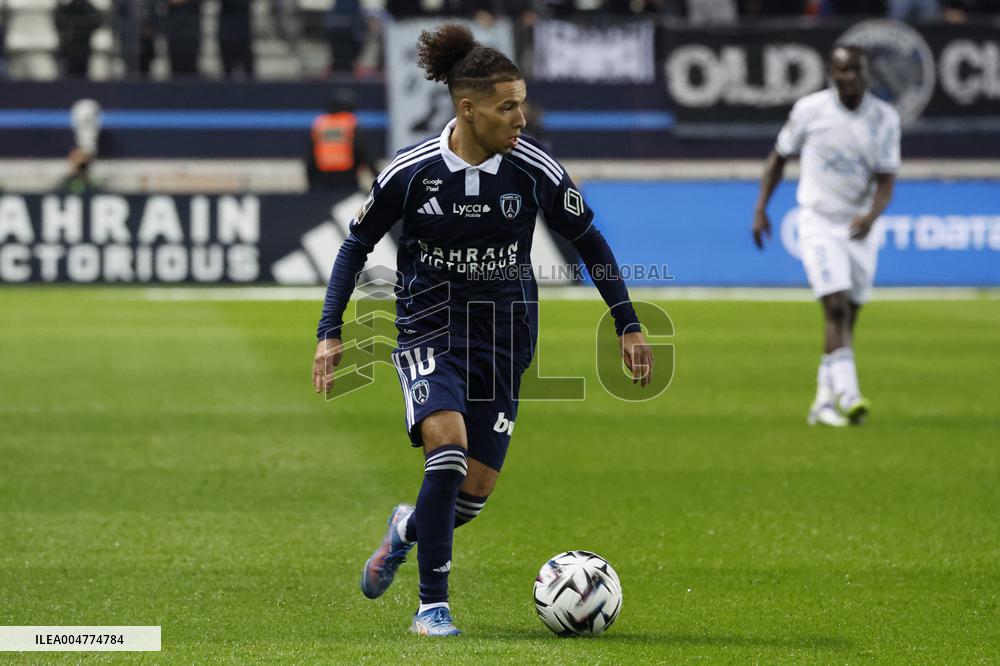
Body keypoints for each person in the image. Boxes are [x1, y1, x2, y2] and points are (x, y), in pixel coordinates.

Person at [311, 25, 654, 636]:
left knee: (470, 496)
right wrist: (329, 330)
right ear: (467, 108)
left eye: (522, 101)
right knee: (445, 454)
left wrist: (627, 323)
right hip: (428, 329)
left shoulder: (534, 168)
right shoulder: (411, 173)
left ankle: (406, 528)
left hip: (505, 337)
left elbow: (589, 240)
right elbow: (355, 243)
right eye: (508, 105)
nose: (521, 116)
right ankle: (431, 607)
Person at [752, 45, 900, 427]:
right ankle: (849, 392)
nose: (848, 77)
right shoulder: (809, 111)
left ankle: (822, 400)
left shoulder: (885, 119)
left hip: (859, 226)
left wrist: (871, 215)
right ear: (831, 74)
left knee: (849, 314)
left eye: (855, 70)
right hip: (818, 221)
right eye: (841, 70)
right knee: (833, 306)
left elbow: (886, 179)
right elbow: (779, 157)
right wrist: (760, 208)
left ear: (867, 73)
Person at [306, 92, 375, 192]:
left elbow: (311, 156)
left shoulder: (320, 124)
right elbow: (363, 152)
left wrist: (311, 184)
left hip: (322, 179)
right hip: (347, 178)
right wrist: (378, 178)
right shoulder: (351, 124)